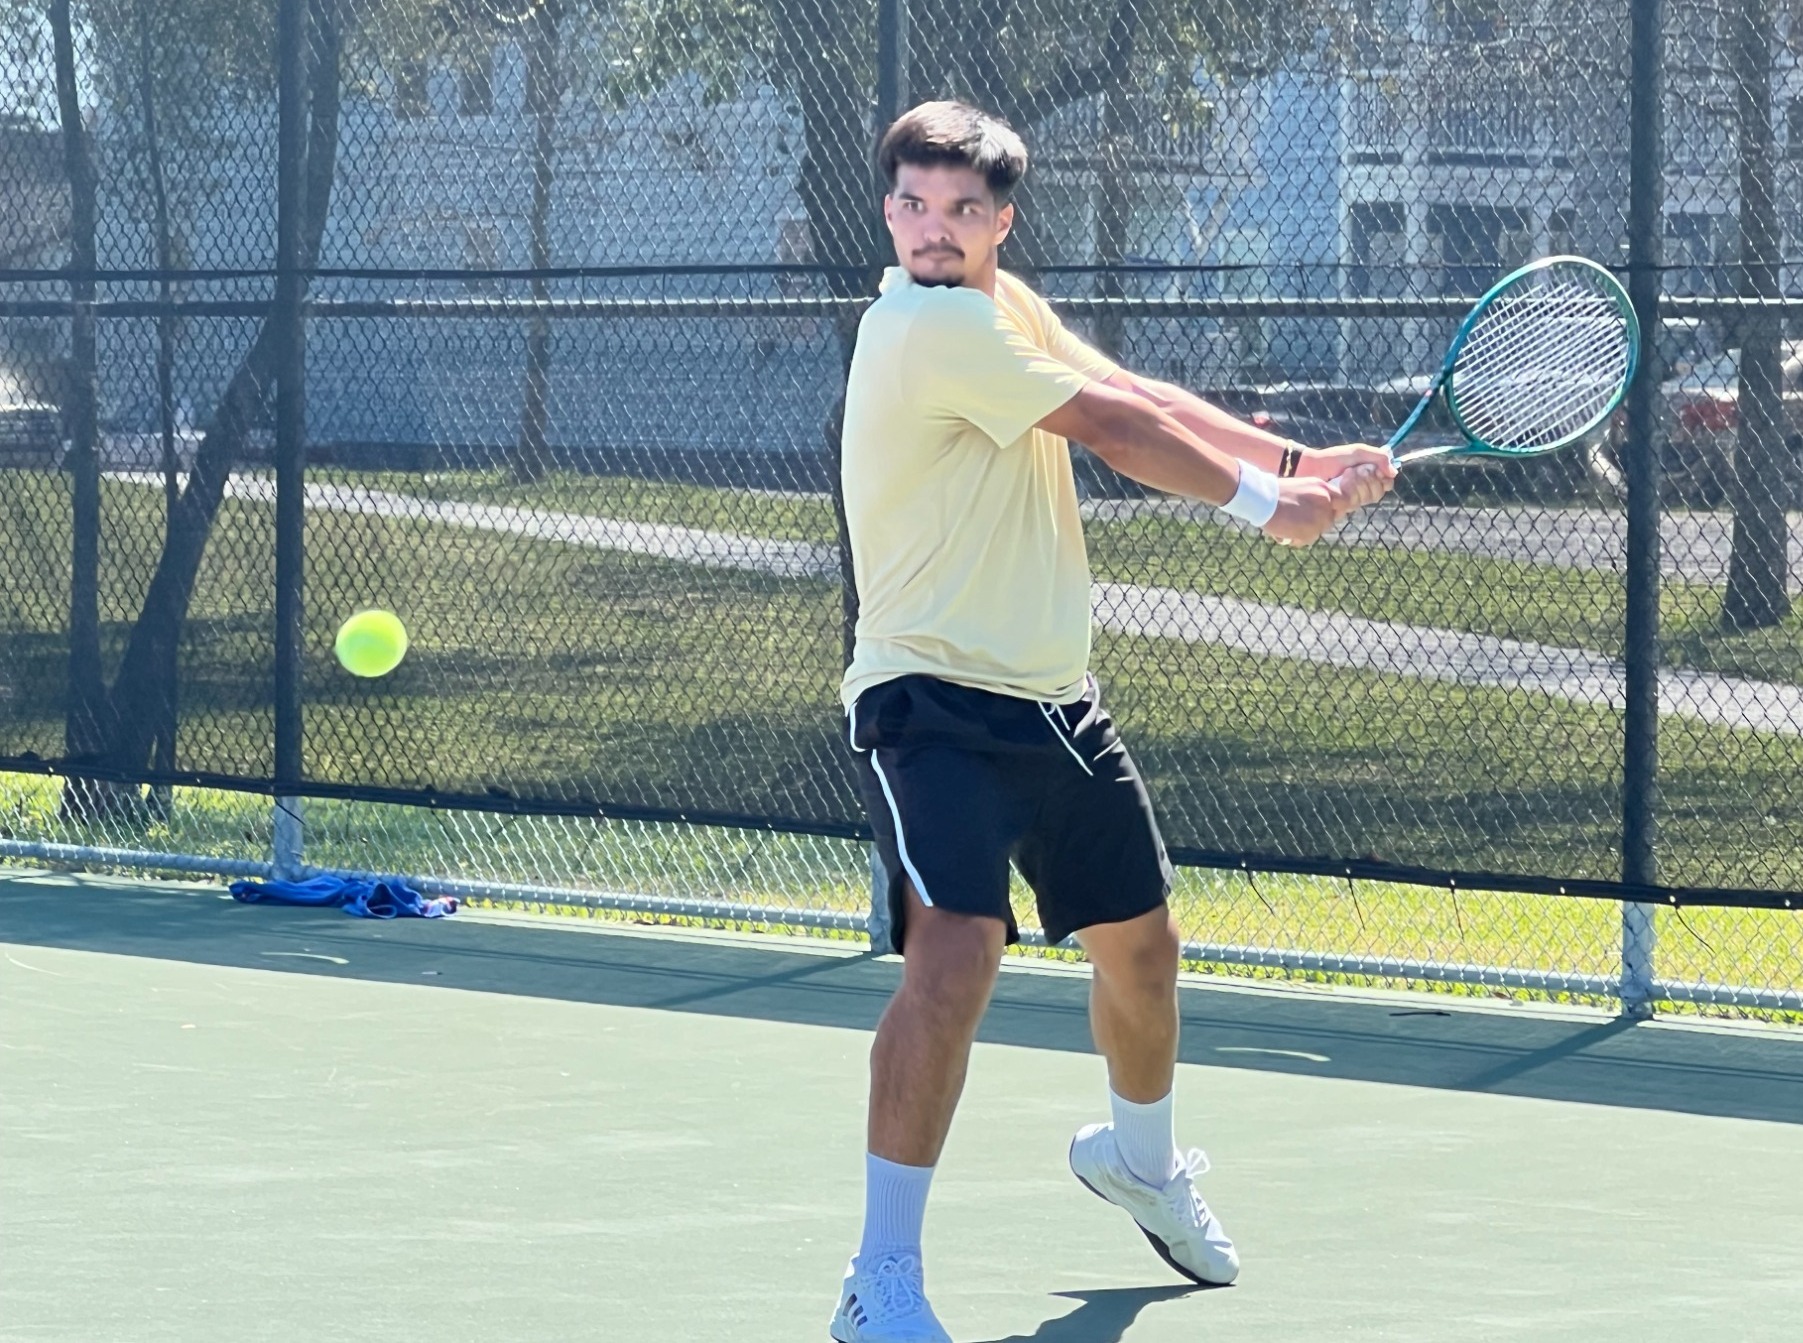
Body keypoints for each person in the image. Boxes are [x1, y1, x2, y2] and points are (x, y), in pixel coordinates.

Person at [830, 100, 1395, 1343]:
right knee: (957, 951)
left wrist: (1296, 461)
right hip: (926, 699)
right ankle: (881, 1275)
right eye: (914, 204)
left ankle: (1141, 1161)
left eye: (962, 210)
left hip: (1053, 699)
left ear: (1000, 221)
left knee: (1143, 951)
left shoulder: (1001, 305)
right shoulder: (925, 325)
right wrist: (1268, 506)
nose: (935, 228)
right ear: (888, 210)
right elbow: (1111, 428)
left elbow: (1131, 385)